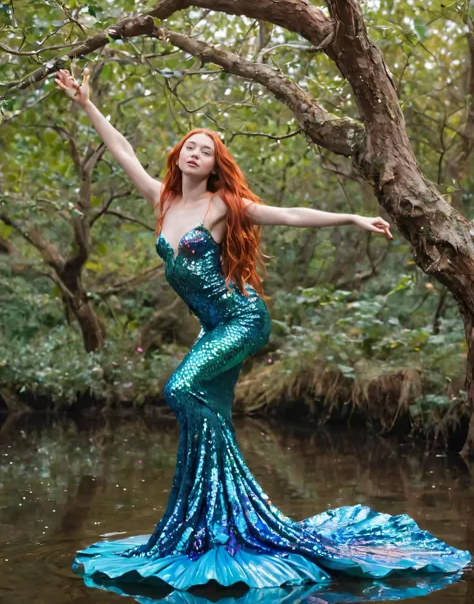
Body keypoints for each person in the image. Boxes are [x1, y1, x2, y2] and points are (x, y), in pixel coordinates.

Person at [56, 68, 471, 591]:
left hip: (242, 319)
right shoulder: (163, 202)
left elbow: (289, 214)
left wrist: (350, 218)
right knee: (201, 410)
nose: (195, 153)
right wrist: (87, 104)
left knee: (180, 389)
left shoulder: (223, 206)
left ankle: (239, 511)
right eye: (190, 146)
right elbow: (122, 152)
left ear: (214, 165)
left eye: (205, 151)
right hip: (213, 327)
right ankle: (214, 524)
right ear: (178, 154)